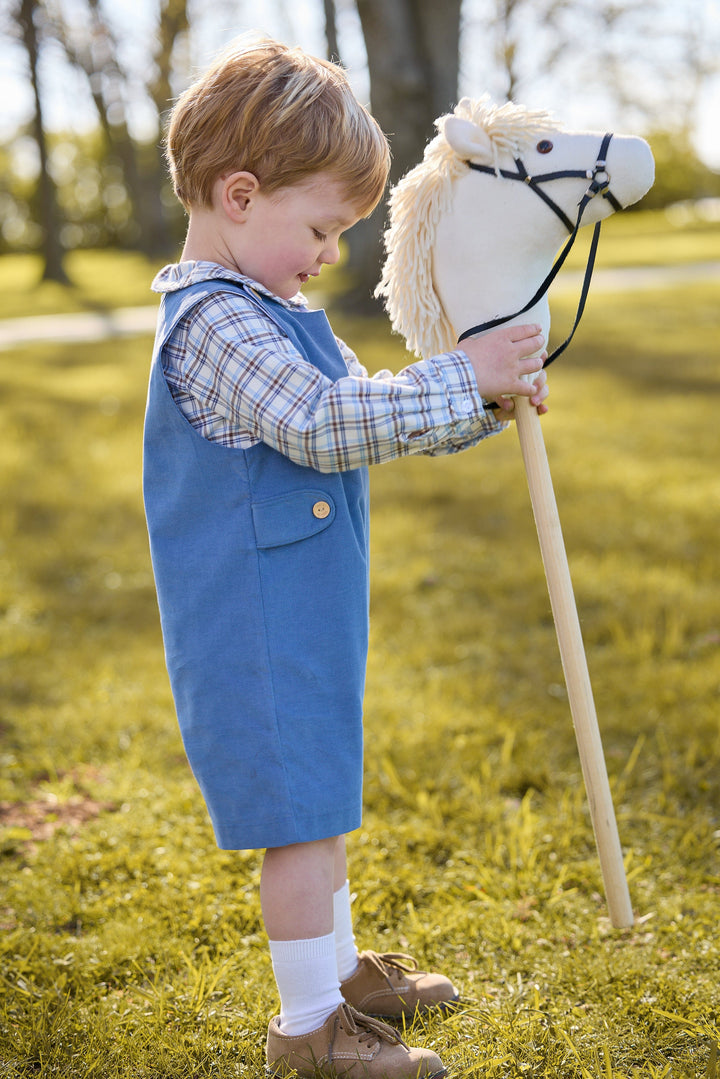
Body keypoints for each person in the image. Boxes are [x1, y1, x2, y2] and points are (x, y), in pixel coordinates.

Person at [143, 36, 548, 1079]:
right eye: (323, 228)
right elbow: (325, 424)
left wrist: (484, 402)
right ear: (241, 196)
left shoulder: (270, 311)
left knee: (320, 799)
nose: (331, 254)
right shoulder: (216, 323)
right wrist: (460, 374)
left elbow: (368, 413)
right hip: (254, 626)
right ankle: (308, 1025)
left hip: (304, 613)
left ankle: (338, 974)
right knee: (298, 820)